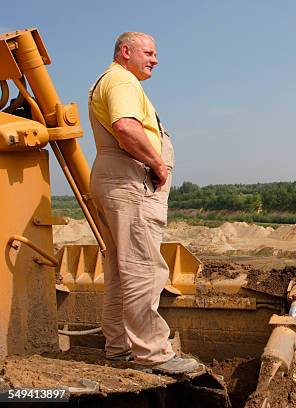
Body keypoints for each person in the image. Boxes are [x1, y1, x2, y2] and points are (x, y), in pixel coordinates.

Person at [88, 32, 198, 374]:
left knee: (122, 271)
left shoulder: (108, 81)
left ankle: (118, 347)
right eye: (149, 52)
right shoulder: (121, 81)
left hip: (113, 179)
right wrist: (158, 164)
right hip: (129, 182)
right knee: (144, 267)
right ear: (126, 51)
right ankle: (153, 354)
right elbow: (125, 127)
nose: (155, 59)